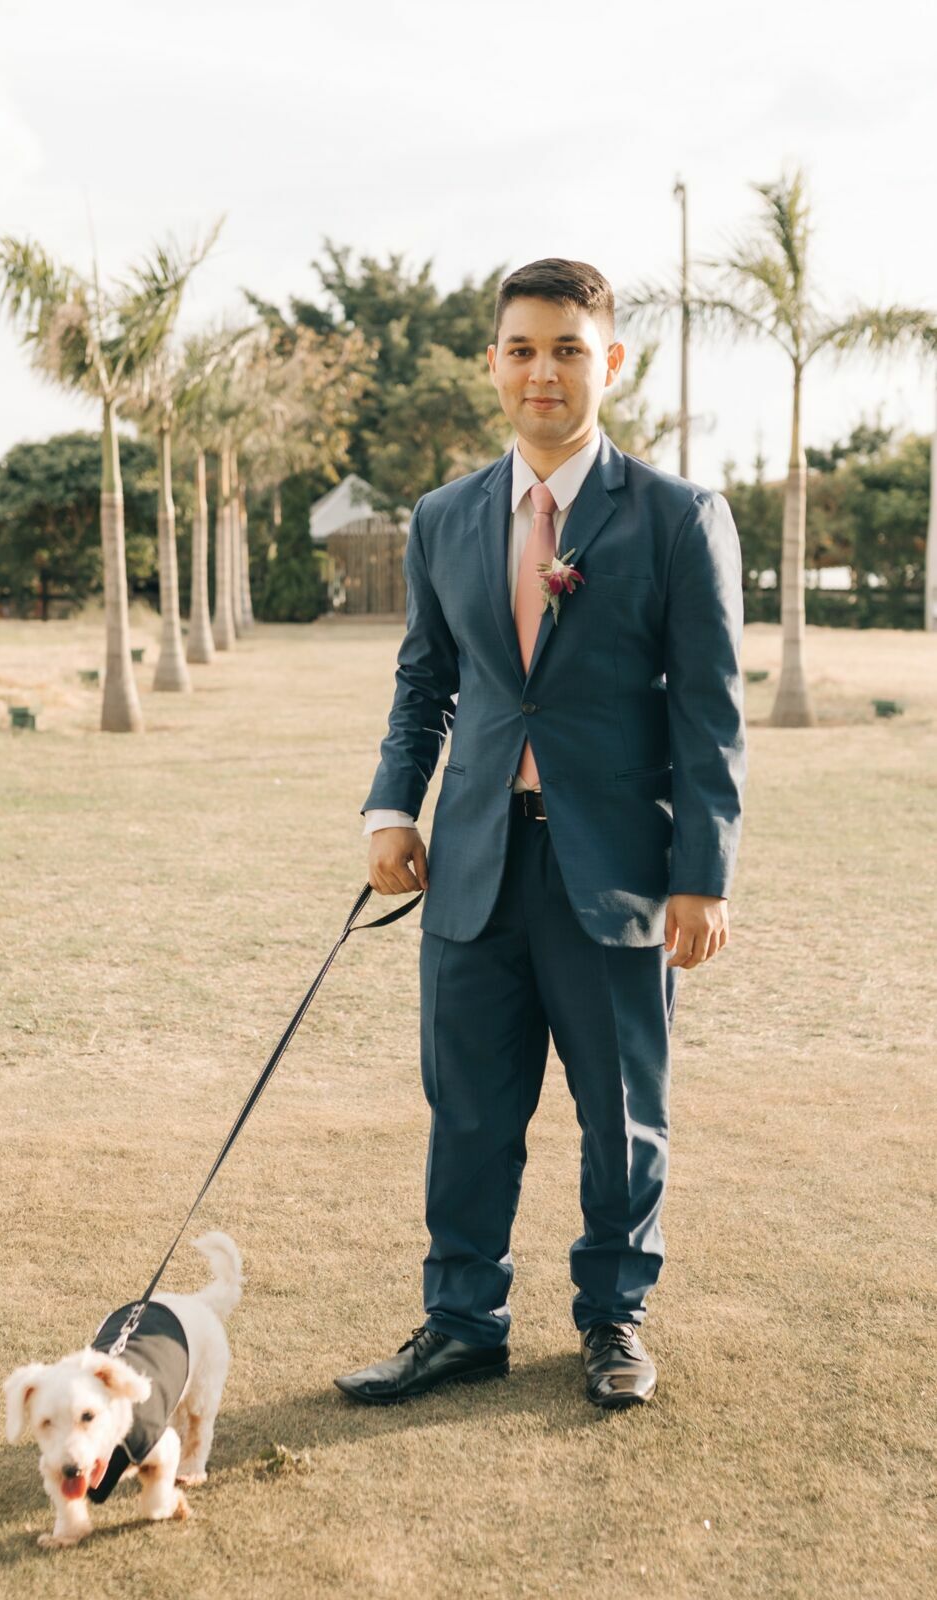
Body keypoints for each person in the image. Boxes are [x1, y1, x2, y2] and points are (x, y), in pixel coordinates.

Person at [335, 258, 746, 1410]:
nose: (543, 371)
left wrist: (700, 877)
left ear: (608, 362)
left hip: (613, 872)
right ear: (491, 367)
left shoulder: (675, 517)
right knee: (466, 1107)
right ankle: (460, 1320)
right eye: (520, 349)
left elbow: (707, 712)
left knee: (620, 1115)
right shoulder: (443, 517)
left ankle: (612, 1322)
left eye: (567, 348)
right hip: (472, 867)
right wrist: (388, 809)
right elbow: (425, 683)